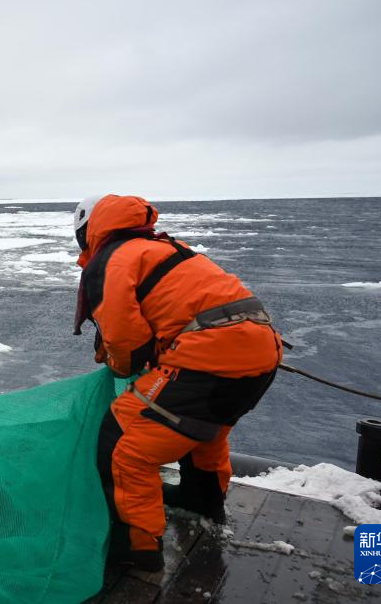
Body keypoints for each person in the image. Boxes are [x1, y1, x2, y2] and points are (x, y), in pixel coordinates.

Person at [72, 194, 282, 571]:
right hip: (261, 353)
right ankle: (203, 500)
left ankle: (134, 548)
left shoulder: (114, 260)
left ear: (89, 232)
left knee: (122, 443)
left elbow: (124, 341)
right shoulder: (166, 247)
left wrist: (120, 366)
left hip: (209, 356)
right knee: (203, 430)